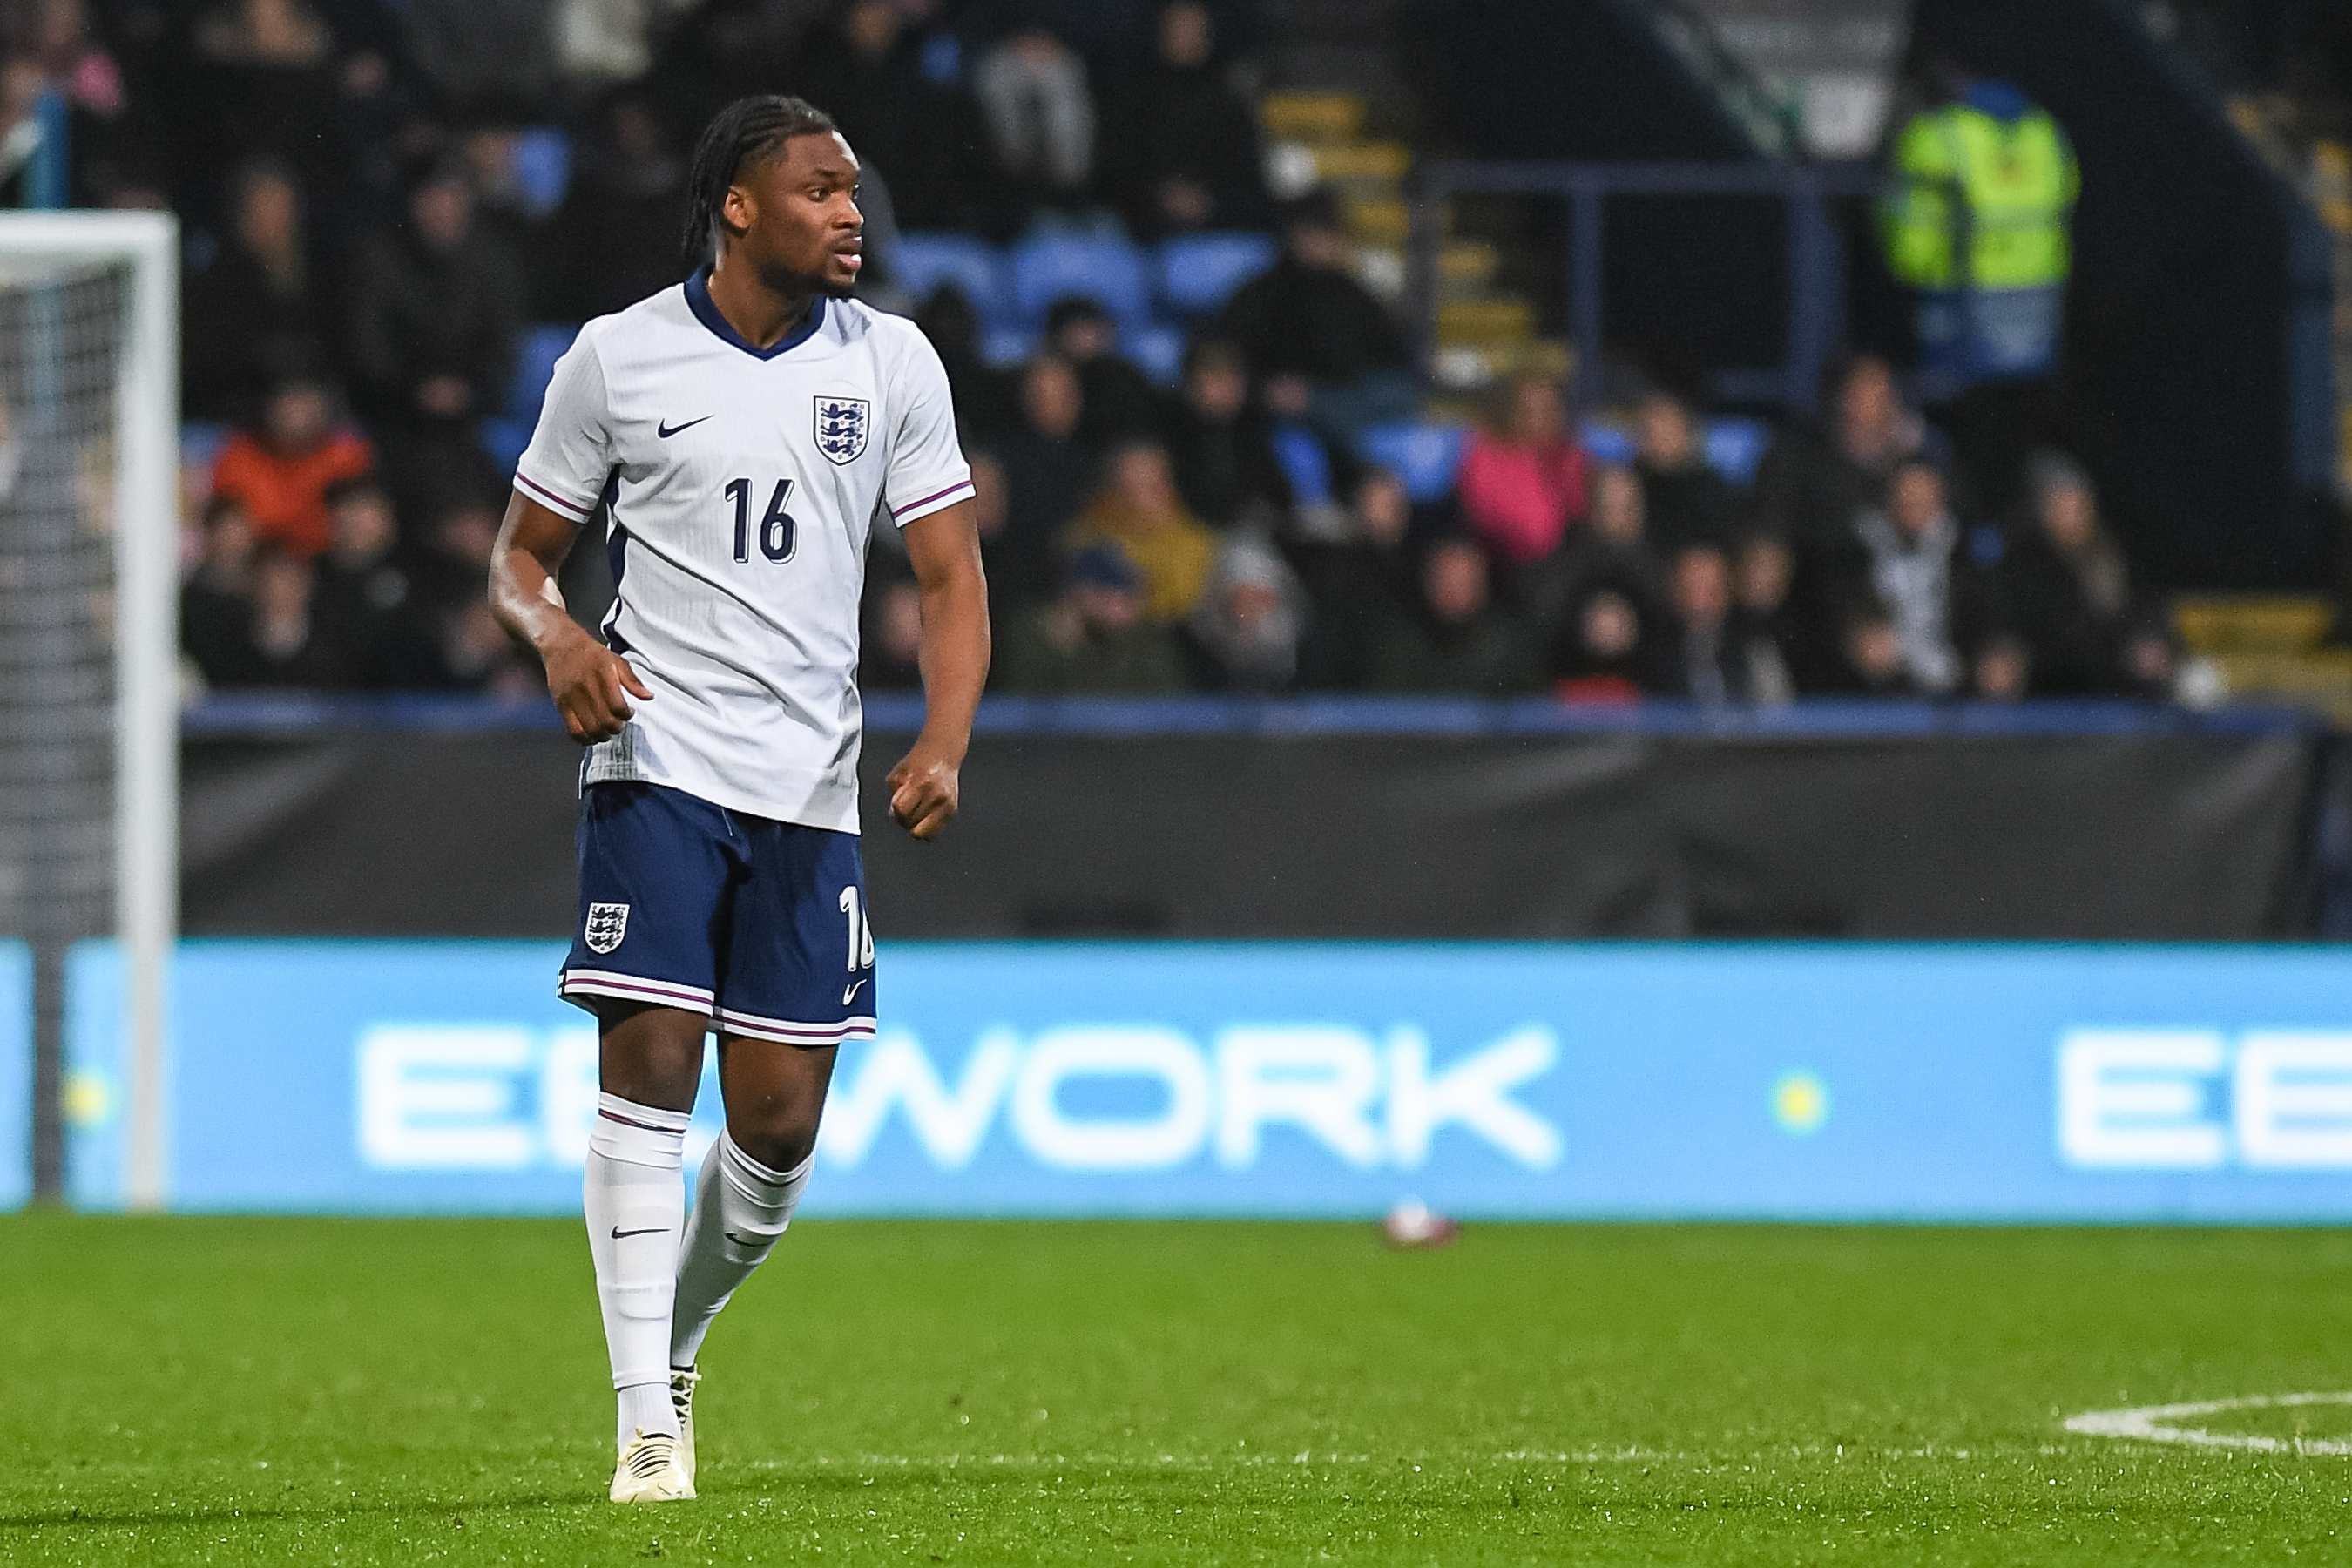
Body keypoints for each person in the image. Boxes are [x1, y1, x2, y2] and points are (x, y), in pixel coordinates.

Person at [486, 95, 989, 1506]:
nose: (851, 213)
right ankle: (646, 1420)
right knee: (648, 1066)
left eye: (855, 190)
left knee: (774, 1131)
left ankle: (681, 1337)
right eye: (820, 189)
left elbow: (950, 576)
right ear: (739, 208)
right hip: (657, 759)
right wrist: (565, 641)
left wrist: (944, 736)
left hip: (811, 787)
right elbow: (518, 560)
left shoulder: (891, 362)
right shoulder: (620, 358)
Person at [1216, 189, 1414, 435]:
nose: (1319, 243)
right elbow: (1230, 359)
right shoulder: (1264, 294)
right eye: (1310, 233)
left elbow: (1392, 371)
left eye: (1329, 233)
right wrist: (1264, 388)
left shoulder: (1355, 294)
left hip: (1346, 405)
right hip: (1284, 416)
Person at [1997, 450, 2174, 697]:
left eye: (2079, 504)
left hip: (2117, 687)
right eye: (2062, 504)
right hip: (2053, 690)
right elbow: (2052, 636)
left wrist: (2148, 641)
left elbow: (2145, 605)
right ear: (2043, 511)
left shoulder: (2113, 551)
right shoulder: (2026, 561)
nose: (2073, 516)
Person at [1104, 0, 1271, 239]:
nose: (1185, 33)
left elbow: (1246, 172)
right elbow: (1116, 167)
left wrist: (1209, 201)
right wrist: (1162, 196)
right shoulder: (1131, 96)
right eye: (1178, 24)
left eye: (1194, 25)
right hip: (1142, 221)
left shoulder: (1228, 99)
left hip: (1219, 221)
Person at [206, 375, 375, 558]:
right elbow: (223, 520)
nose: (295, 412)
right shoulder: (239, 455)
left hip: (331, 565)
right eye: (288, 400)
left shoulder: (347, 457)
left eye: (303, 401)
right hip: (257, 567)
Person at [997, 543, 1186, 694]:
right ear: (1081, 594)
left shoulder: (1146, 640)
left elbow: (1162, 704)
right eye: (1113, 597)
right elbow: (1025, 705)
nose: (1129, 606)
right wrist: (1063, 652)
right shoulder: (1034, 632)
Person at [1064, 440, 1217, 622]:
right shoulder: (1090, 528)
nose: (1137, 494)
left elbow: (1177, 606)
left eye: (1154, 483)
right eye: (1133, 484)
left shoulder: (1195, 543)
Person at [1367, 536, 1539, 695]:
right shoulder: (1399, 644)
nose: (1454, 593)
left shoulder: (1508, 646)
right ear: (1428, 584)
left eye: (1464, 583)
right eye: (1445, 582)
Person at [1457, 374, 1589, 577]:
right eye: (1527, 410)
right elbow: (1483, 514)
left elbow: (1580, 509)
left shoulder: (1569, 454)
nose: (1537, 418)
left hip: (1563, 565)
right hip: (1503, 566)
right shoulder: (1485, 453)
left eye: (1546, 410)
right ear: (1508, 409)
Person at [1161, 337, 1287, 531]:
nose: (1229, 390)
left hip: (1251, 529)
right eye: (1217, 381)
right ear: (1192, 384)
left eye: (1234, 380)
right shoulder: (1171, 428)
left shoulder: (1249, 425)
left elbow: (1274, 488)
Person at [1183, 530, 1307, 692]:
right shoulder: (1196, 653)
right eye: (1238, 598)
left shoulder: (1308, 653)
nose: (1247, 608)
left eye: (1258, 598)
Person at [1044, 295, 1162, 446]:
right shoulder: (1046, 380)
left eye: (1094, 329)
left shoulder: (1126, 378)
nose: (1090, 337)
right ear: (1058, 335)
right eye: (1081, 329)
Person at [1632, 389, 1730, 558]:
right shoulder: (1629, 485)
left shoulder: (1710, 490)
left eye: (1662, 417)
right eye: (1647, 418)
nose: (1653, 426)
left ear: (1685, 425)